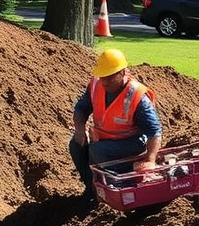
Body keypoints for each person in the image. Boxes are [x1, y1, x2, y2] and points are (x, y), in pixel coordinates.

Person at [69, 48, 162, 200]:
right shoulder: (95, 86)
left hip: (132, 143)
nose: (105, 82)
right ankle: (93, 189)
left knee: (98, 150)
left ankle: (121, 184)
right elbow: (81, 109)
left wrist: (150, 160)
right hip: (103, 139)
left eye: (110, 77)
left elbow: (154, 131)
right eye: (102, 77)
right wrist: (80, 131)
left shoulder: (137, 96)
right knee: (75, 145)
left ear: (123, 72)